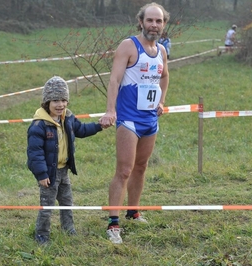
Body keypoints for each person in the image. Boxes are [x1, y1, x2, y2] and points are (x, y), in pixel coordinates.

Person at [98, 2, 170, 244]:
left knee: (141, 167)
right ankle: (113, 223)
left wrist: (162, 101)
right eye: (150, 20)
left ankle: (133, 211)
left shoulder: (161, 50)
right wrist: (110, 110)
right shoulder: (129, 46)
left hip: (150, 119)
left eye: (158, 21)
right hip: (128, 119)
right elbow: (114, 80)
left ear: (164, 24)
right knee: (124, 170)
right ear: (141, 22)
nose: (154, 25)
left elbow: (165, 76)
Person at [27, 75, 106, 245]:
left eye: (63, 100)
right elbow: (35, 153)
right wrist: (42, 174)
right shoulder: (39, 125)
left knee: (67, 202)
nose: (60, 104)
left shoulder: (68, 118)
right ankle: (42, 235)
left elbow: (82, 129)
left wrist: (99, 126)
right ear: (46, 102)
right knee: (47, 207)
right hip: (49, 173)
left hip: (64, 171)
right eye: (55, 100)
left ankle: (68, 229)